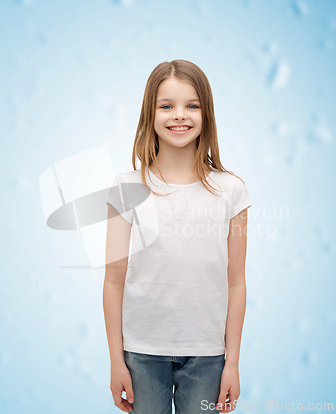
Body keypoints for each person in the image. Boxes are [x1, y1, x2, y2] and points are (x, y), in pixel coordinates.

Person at [103, 59, 252, 414]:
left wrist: (232, 363)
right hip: (140, 353)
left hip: (207, 356)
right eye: (166, 106)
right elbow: (113, 280)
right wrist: (115, 361)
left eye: (192, 105)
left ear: (206, 114)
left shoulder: (232, 191)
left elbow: (236, 282)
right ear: (149, 115)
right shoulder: (127, 187)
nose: (179, 115)